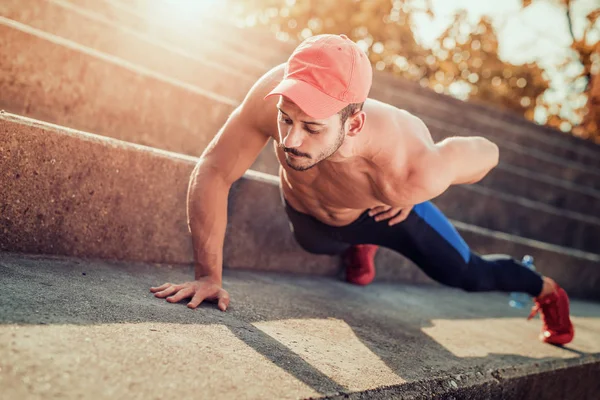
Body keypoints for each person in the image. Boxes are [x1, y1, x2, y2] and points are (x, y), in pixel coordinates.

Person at [150, 34, 574, 345]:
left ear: (352, 124)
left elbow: (489, 152)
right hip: (315, 217)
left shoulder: (409, 165)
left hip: (386, 212)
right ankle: (358, 247)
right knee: (315, 242)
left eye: (312, 127)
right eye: (286, 120)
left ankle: (547, 291)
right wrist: (209, 276)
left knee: (467, 274)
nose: (291, 140)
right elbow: (214, 169)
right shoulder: (273, 95)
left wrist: (427, 186)